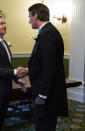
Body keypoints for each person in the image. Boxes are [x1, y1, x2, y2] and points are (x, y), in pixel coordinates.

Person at [27, 3, 68, 131]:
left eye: (29, 16)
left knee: (44, 126)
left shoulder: (47, 34)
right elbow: (44, 62)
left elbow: (49, 67)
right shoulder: (47, 31)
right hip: (47, 92)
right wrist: (29, 70)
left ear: (36, 15)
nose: (28, 20)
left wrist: (43, 95)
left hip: (47, 95)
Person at [0, 16, 27, 131]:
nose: (5, 25)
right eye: (1, 23)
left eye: (5, 23)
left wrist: (17, 79)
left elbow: (6, 66)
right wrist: (15, 71)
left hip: (5, 90)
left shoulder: (4, 43)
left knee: (0, 123)